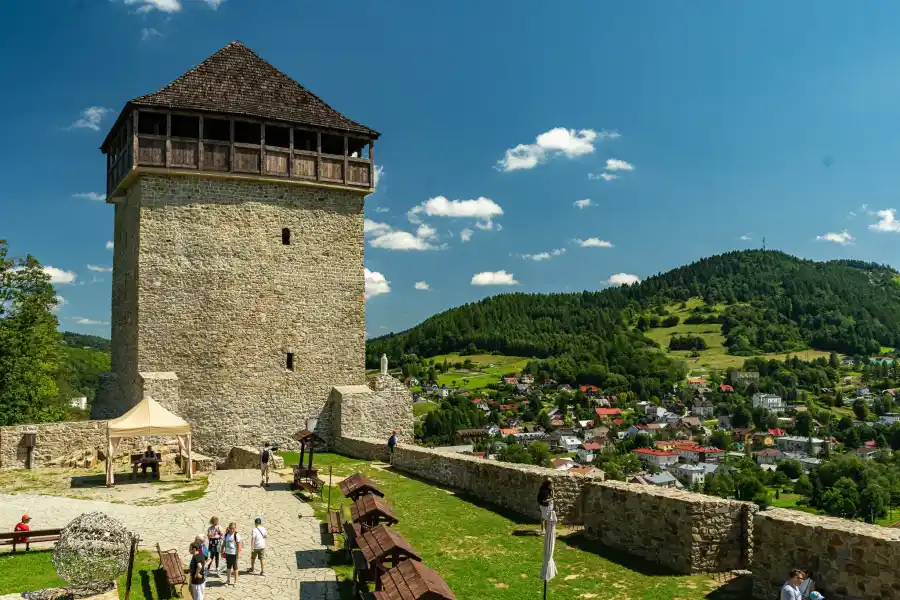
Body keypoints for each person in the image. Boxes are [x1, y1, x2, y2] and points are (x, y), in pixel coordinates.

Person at [221, 522, 241, 587]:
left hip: (234, 554)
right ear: (229, 528)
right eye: (231, 528)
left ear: (235, 528)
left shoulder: (236, 535)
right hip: (228, 553)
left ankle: (235, 581)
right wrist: (221, 551)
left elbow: (238, 545)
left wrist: (237, 554)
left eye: (233, 528)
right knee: (228, 567)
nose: (232, 530)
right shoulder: (226, 535)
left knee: (235, 568)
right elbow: (223, 543)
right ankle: (228, 580)